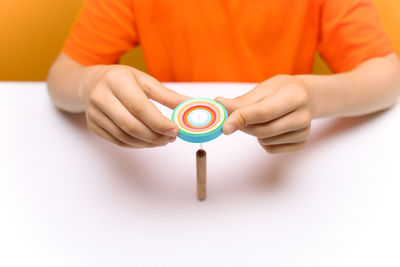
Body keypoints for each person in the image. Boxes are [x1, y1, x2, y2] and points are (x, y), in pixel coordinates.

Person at [47, 0, 400, 153]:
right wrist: (89, 84)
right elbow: (62, 77)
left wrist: (313, 97)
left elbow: (388, 78)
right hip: (170, 157)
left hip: (274, 160)